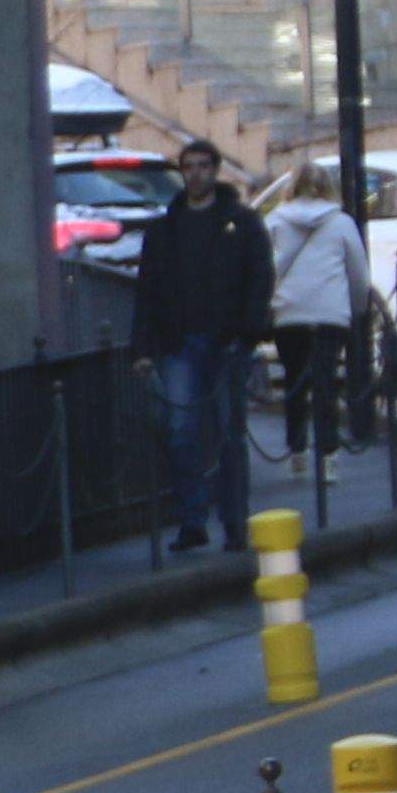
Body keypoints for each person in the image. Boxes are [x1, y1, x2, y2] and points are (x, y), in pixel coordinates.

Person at [132, 139, 271, 551]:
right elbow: (148, 290)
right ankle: (193, 519)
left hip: (227, 343)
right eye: (189, 167)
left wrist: (248, 331)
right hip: (180, 341)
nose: (196, 174)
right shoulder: (164, 230)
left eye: (203, 166)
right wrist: (141, 347)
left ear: (216, 169)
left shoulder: (242, 224)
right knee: (180, 431)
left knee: (230, 433)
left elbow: (259, 279)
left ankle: (234, 522)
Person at [269, 168, 375, 460]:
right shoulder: (342, 223)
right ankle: (328, 453)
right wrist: (357, 309)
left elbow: (264, 269)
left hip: (288, 312)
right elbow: (358, 275)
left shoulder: (276, 220)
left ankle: (297, 450)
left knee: (294, 380)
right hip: (330, 312)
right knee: (326, 380)